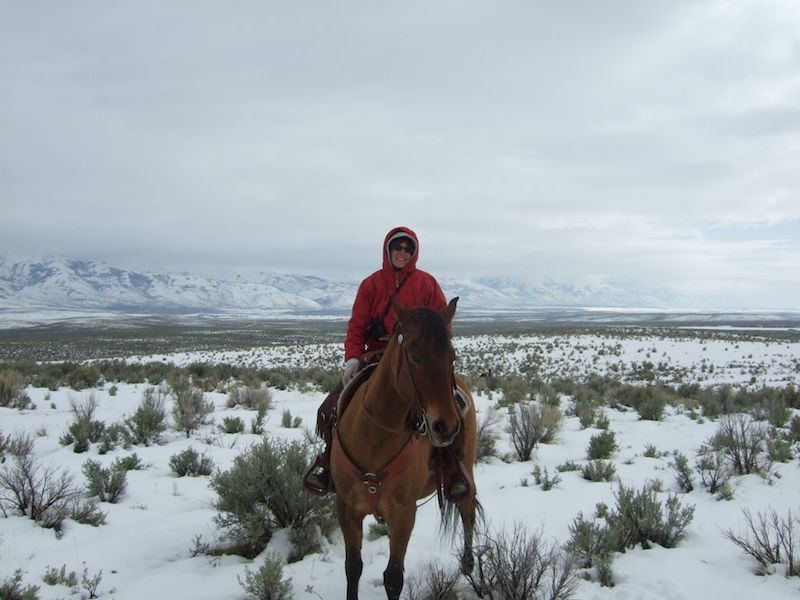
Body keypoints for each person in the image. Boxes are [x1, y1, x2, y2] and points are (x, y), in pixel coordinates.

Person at [303, 226, 470, 501]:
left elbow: (442, 323)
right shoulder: (371, 284)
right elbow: (356, 325)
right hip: (376, 356)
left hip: (416, 357)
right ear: (388, 249)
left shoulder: (426, 283)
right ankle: (328, 464)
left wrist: (434, 351)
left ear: (414, 253)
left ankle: (452, 468)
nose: (402, 253)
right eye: (397, 247)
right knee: (333, 405)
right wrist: (353, 357)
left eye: (408, 248)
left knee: (454, 404)